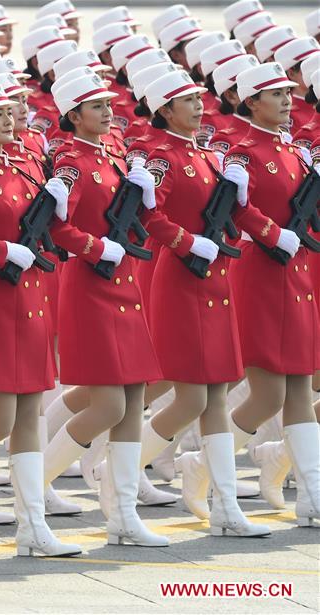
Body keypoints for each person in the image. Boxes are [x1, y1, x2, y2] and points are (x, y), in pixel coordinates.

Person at [180, 63, 319, 528]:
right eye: (274, 94)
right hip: (262, 272)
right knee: (269, 392)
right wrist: (268, 231)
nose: (285, 101)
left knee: (299, 382)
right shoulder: (240, 154)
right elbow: (234, 209)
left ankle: (312, 496)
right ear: (250, 102)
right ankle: (200, 468)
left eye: (287, 93)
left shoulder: (294, 150)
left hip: (295, 272)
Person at [0, 81, 82, 557]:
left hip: (32, 293)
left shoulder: (26, 163)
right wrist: (2, 251)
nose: (9, 120)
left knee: (31, 412)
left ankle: (32, 526)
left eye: (11, 112)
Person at [137, 70, 273, 537]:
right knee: (193, 395)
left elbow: (235, 212)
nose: (198, 107)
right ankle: (119, 472)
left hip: (215, 279)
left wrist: (255, 211)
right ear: (164, 111)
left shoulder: (210, 156)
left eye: (198, 99)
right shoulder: (160, 158)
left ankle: (226, 506)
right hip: (181, 277)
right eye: (185, 101)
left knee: (217, 393)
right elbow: (146, 215)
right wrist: (185, 241)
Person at [43, 73, 167, 547]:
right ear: (74, 116)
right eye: (95, 107)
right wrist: (95, 248)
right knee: (110, 402)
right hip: (91, 282)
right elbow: (56, 227)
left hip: (125, 282)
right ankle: (34, 491)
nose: (107, 111)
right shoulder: (70, 163)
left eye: (107, 104)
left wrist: (145, 199)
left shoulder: (113, 155)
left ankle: (123, 514)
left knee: (134, 400)